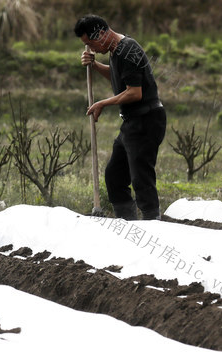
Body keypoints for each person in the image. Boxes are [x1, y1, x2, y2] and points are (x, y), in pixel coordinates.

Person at [75, 15, 166, 221]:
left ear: (102, 33)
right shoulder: (116, 50)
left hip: (146, 120)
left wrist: (102, 103)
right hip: (132, 122)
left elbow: (135, 92)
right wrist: (95, 65)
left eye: (91, 43)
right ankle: (129, 225)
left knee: (141, 179)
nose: (92, 48)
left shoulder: (128, 49)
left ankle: (154, 225)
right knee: (115, 176)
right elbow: (118, 77)